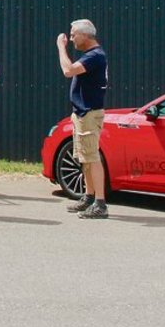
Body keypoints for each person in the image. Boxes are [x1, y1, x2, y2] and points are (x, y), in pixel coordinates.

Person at [57, 18, 108, 219]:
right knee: (84, 158)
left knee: (92, 157)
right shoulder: (90, 55)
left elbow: (68, 71)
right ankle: (88, 196)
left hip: (89, 113)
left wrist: (61, 48)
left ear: (85, 35)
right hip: (81, 112)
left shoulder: (95, 55)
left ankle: (100, 203)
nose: (71, 39)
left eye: (73, 35)